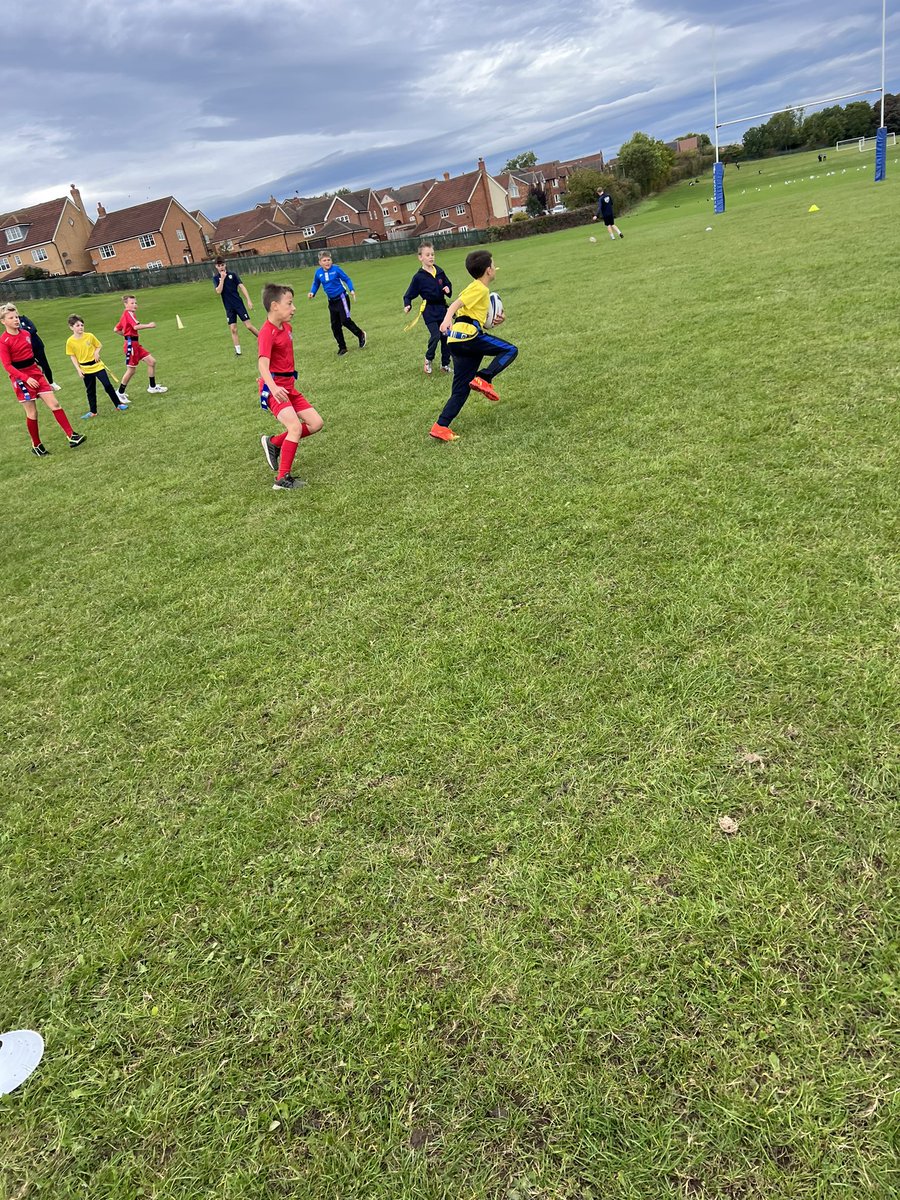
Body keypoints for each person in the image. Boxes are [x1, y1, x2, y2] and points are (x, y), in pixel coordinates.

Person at [431, 249, 518, 442]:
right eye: (493, 265)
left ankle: (440, 426)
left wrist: (497, 321)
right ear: (488, 270)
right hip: (468, 336)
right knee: (510, 350)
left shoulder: (475, 289)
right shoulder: (480, 288)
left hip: (457, 339)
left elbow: (480, 317)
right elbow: (456, 304)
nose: (495, 268)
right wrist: (446, 319)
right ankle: (484, 377)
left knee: (461, 389)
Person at [257, 283, 324, 491]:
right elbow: (262, 364)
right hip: (274, 390)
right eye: (289, 303)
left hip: (289, 388)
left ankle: (275, 443)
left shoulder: (287, 327)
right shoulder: (266, 333)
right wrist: (273, 387)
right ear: (275, 306)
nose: (293, 308)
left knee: (316, 423)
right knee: (294, 427)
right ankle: (282, 479)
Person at [0, 302, 85, 456]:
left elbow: (31, 354)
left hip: (36, 373)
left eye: (17, 316)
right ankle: (37, 445)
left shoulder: (26, 334)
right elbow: (7, 365)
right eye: (11, 318)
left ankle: (72, 436)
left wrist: (38, 370)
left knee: (55, 404)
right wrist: (25, 378)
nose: (16, 320)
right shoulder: (3, 341)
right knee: (32, 413)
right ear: (3, 321)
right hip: (20, 379)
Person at [65, 314, 129, 418]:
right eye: (77, 325)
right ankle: (93, 412)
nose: (80, 327)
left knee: (107, 385)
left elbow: (99, 345)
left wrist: (96, 352)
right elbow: (72, 356)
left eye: (82, 325)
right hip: (85, 369)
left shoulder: (89, 336)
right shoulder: (70, 342)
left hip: (97, 366)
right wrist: (78, 370)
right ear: (71, 327)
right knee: (90, 390)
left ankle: (118, 404)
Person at [403, 242, 452, 375]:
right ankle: (428, 359)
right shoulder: (418, 277)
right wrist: (407, 304)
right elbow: (408, 295)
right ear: (420, 257)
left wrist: (448, 289)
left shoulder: (440, 271)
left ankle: (445, 364)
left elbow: (448, 284)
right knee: (435, 335)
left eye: (432, 254)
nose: (431, 257)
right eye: (427, 255)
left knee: (445, 336)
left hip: (442, 308)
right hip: (429, 310)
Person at [308, 252, 366, 356]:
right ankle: (342, 347)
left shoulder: (336, 269)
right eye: (324, 260)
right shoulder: (318, 273)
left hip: (342, 298)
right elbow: (316, 283)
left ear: (332, 261)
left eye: (328, 260)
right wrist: (312, 292)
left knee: (345, 320)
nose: (327, 262)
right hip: (332, 302)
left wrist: (351, 289)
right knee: (335, 326)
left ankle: (360, 334)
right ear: (320, 262)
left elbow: (347, 279)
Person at [114, 295, 168, 398]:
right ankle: (120, 393)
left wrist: (126, 336)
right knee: (131, 370)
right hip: (131, 346)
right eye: (132, 303)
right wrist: (149, 325)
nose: (135, 305)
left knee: (151, 362)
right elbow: (135, 326)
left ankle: (152, 387)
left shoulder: (127, 315)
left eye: (136, 303)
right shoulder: (128, 313)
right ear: (125, 304)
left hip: (135, 344)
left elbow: (116, 329)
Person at [213, 257, 259, 355]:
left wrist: (249, 300)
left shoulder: (232, 275)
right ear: (216, 267)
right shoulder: (216, 278)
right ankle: (238, 352)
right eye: (219, 265)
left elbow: (242, 287)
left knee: (249, 326)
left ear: (225, 265)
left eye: (222, 265)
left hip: (238, 304)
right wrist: (222, 279)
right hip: (229, 307)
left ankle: (263, 340)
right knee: (233, 329)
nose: (221, 267)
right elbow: (218, 291)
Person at [18, 314, 61, 390]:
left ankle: (52, 383)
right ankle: (37, 385)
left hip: (37, 346)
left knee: (45, 364)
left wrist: (24, 330)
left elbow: (33, 329)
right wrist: (27, 329)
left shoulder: (24, 319)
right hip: (26, 349)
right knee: (33, 366)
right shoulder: (12, 325)